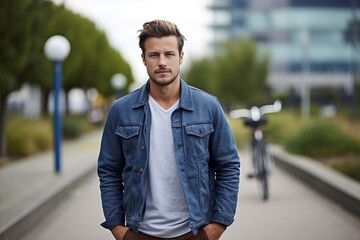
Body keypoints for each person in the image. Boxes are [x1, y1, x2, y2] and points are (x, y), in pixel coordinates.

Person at [98, 19, 241, 240]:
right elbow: (109, 170)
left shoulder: (208, 106)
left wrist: (218, 225)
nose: (162, 62)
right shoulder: (121, 111)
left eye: (169, 54)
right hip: (139, 232)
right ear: (143, 58)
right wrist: (118, 228)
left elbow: (228, 165)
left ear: (181, 56)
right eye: (154, 55)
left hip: (195, 232)